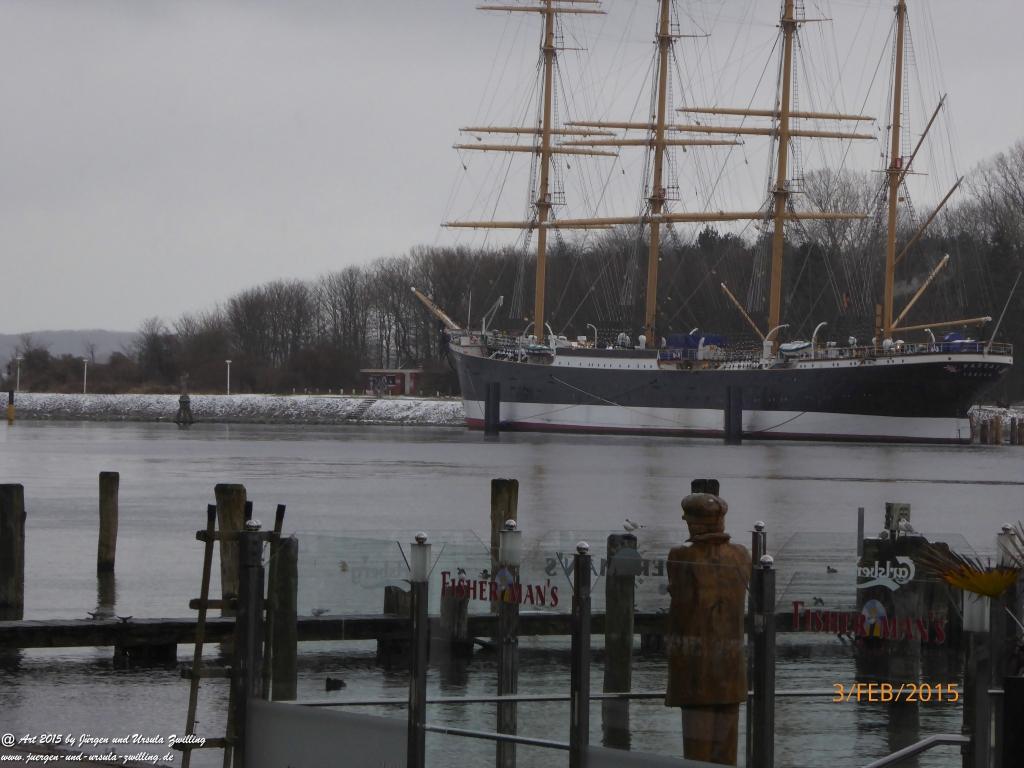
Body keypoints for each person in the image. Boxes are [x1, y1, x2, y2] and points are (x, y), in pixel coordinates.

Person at [665, 480, 751, 765]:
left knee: (697, 754)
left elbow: (680, 599)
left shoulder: (681, 556)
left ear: (694, 525)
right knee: (726, 753)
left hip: (696, 671)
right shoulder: (741, 555)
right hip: (730, 670)